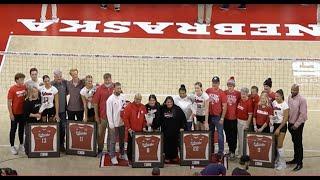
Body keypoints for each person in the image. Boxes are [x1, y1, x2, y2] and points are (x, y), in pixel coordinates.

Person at [157, 96, 186, 163]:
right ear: (165, 102)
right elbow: (159, 118)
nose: (169, 103)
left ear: (172, 102)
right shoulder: (162, 109)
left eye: (170, 102)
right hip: (166, 131)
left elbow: (183, 118)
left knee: (174, 144)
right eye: (168, 102)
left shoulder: (177, 109)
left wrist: (182, 127)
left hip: (175, 131)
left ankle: (174, 157)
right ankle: (167, 157)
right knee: (166, 144)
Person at [287, 84, 307, 171]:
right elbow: (288, 109)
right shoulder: (289, 97)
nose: (292, 92)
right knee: (294, 141)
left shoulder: (302, 100)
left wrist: (296, 125)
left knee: (298, 143)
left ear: (298, 90)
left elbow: (303, 114)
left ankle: (300, 163)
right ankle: (295, 159)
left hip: (298, 125)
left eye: (294, 90)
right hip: (291, 123)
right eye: (292, 90)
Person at [93, 73, 114, 156]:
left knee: (111, 134)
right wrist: (96, 116)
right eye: (106, 79)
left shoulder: (115, 88)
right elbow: (95, 103)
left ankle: (109, 150)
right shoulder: (100, 89)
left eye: (108, 79)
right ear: (104, 79)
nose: (107, 81)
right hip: (103, 116)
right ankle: (100, 150)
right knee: (101, 134)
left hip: (113, 116)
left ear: (111, 79)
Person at [106, 82, 127, 165]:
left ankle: (122, 153)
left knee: (122, 140)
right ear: (114, 89)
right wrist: (111, 125)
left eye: (120, 88)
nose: (119, 90)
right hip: (114, 124)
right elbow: (109, 113)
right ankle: (112, 156)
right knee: (113, 141)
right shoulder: (110, 99)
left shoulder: (123, 97)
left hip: (121, 123)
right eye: (118, 88)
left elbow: (124, 107)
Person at [122, 93, 147, 162]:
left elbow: (145, 119)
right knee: (130, 146)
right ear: (134, 98)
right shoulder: (129, 107)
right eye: (137, 99)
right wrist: (129, 129)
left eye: (139, 99)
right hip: (132, 131)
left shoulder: (143, 107)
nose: (138, 100)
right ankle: (130, 159)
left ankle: (138, 158)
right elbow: (125, 118)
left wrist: (144, 127)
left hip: (140, 131)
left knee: (139, 146)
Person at [205, 76, 227, 155]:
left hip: (218, 117)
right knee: (210, 134)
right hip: (210, 116)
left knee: (220, 134)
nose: (214, 84)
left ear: (219, 83)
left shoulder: (222, 93)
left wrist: (222, 118)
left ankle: (220, 152)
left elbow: (225, 107)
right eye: (213, 82)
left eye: (216, 83)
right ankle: (211, 151)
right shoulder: (208, 91)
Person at [7, 73, 27, 155]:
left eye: (23, 79)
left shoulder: (24, 87)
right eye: (21, 79)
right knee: (13, 130)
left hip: (22, 113)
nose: (23, 81)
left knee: (21, 130)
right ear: (17, 80)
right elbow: (9, 102)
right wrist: (11, 114)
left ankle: (21, 144)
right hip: (15, 113)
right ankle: (12, 146)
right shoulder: (12, 89)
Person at [271, 89, 289, 170]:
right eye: (275, 96)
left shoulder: (285, 105)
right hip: (274, 125)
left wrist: (278, 128)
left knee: (279, 145)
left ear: (282, 96)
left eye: (277, 96)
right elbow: (272, 113)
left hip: (282, 126)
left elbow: (285, 119)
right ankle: (278, 161)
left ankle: (283, 164)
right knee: (275, 145)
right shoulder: (274, 102)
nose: (276, 97)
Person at [51, 69, 68, 152]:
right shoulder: (51, 85)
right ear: (54, 77)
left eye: (60, 76)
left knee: (63, 128)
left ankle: (61, 144)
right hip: (53, 112)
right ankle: (54, 145)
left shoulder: (65, 83)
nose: (59, 78)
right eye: (57, 77)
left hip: (63, 111)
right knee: (54, 128)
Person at [224, 76, 240, 159]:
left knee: (234, 136)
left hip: (234, 119)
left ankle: (233, 151)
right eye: (228, 85)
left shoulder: (238, 94)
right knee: (228, 135)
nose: (230, 87)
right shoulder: (225, 93)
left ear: (234, 86)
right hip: (226, 118)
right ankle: (230, 150)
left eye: (231, 86)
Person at [23, 86, 42, 155]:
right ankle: (27, 150)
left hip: (38, 122)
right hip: (29, 122)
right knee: (28, 136)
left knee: (37, 136)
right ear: (31, 93)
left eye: (36, 92)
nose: (35, 93)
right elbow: (26, 114)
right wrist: (35, 115)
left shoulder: (39, 100)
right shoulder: (28, 101)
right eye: (33, 92)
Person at [236, 87, 253, 157]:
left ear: (247, 94)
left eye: (244, 94)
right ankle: (240, 153)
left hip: (244, 122)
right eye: (241, 94)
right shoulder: (240, 100)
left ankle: (243, 154)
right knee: (239, 138)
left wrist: (247, 124)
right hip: (239, 121)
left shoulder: (249, 103)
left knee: (243, 139)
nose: (242, 95)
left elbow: (250, 115)